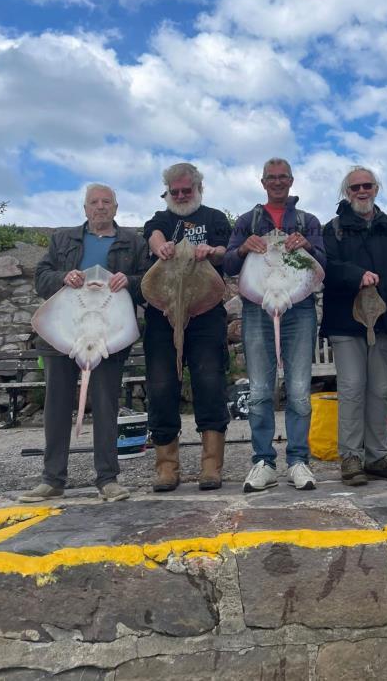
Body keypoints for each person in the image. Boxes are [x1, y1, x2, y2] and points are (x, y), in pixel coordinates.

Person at [20, 184, 149, 503]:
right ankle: (52, 479)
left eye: (107, 202)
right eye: (94, 202)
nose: (101, 207)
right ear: (85, 208)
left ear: (116, 208)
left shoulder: (133, 242)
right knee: (57, 405)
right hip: (64, 329)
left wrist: (129, 282)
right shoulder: (62, 239)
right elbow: (41, 278)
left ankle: (108, 478)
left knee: (106, 405)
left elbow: (149, 283)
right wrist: (63, 277)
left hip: (107, 332)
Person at [224, 158, 325, 492]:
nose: (278, 182)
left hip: (299, 307)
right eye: (272, 178)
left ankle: (298, 460)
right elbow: (227, 263)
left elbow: (324, 264)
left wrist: (309, 245)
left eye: (283, 177)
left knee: (298, 390)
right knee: (259, 390)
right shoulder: (247, 220)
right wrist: (242, 248)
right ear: (263, 181)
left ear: (292, 181)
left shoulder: (308, 221)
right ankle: (263, 461)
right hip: (258, 307)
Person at [144, 162, 231, 492]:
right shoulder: (161, 219)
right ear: (167, 192)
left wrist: (211, 251)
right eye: (174, 191)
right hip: (162, 314)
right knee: (162, 385)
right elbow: (152, 234)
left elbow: (224, 249)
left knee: (210, 382)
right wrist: (160, 246)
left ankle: (211, 466)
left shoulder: (214, 218)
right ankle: (167, 467)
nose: (180, 196)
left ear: (199, 189)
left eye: (186, 190)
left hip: (206, 313)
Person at [321, 166, 387, 486]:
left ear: (376, 188)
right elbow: (324, 267)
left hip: (385, 320)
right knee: (352, 388)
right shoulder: (332, 228)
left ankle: (376, 455)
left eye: (367, 185)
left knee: (380, 389)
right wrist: (355, 274)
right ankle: (351, 456)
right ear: (347, 192)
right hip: (346, 322)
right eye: (355, 186)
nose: (362, 191)